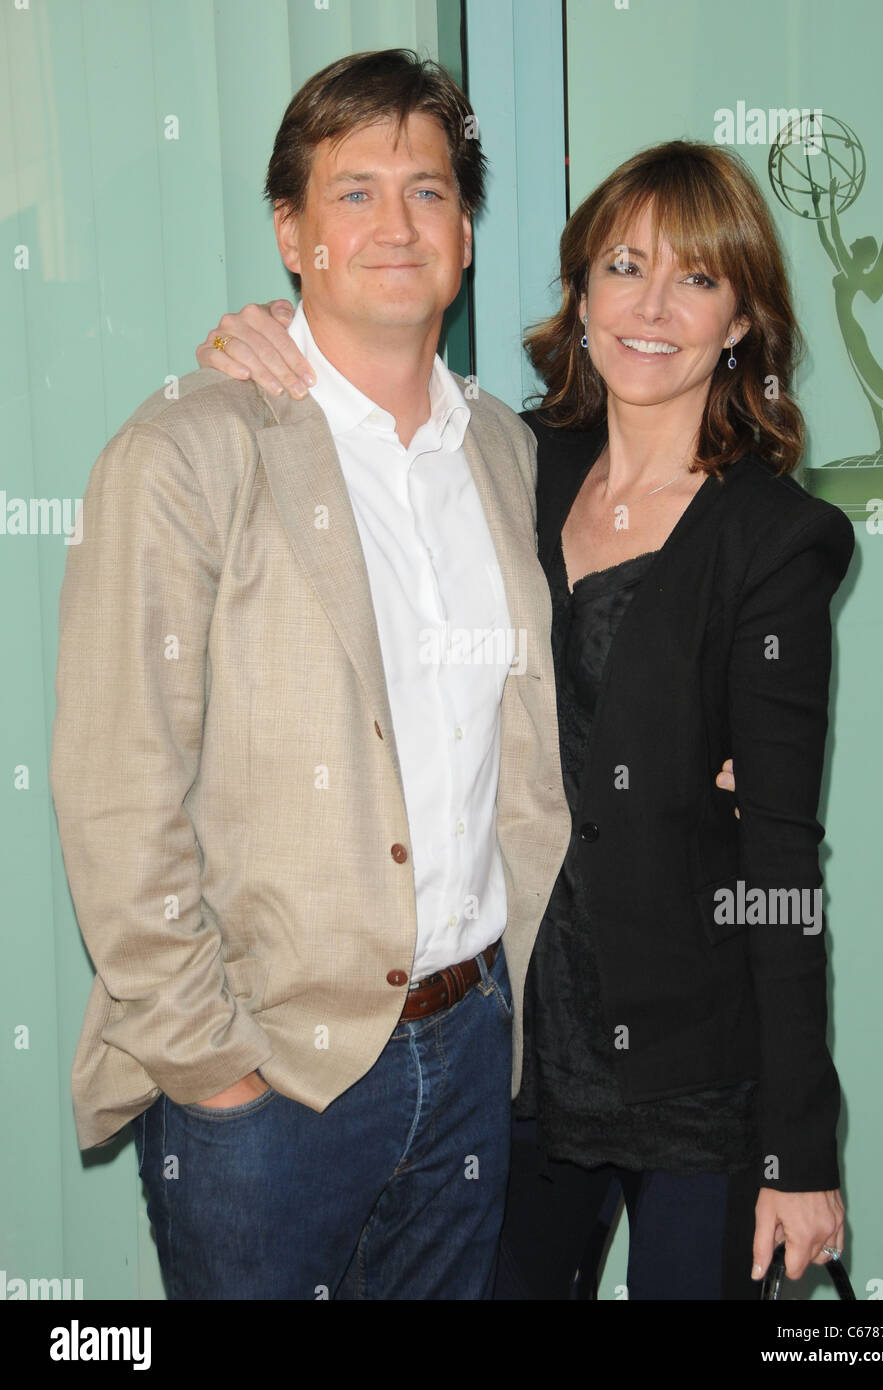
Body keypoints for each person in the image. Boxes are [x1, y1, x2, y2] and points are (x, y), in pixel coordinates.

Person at [203, 139, 851, 1299]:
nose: (651, 307)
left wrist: (798, 1148)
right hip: (516, 1056)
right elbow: (370, 396)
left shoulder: (774, 540)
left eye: (697, 279)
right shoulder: (508, 464)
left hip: (695, 1069)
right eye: (623, 266)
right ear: (580, 290)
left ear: (740, 317)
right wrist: (269, 328)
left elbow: (780, 856)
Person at [49, 49, 574, 1301]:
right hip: (269, 1081)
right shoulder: (190, 449)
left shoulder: (511, 453)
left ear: (464, 233)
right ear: (292, 234)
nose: (396, 223)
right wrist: (209, 1070)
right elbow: (118, 781)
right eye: (354, 193)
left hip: (472, 1059)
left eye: (431, 190)